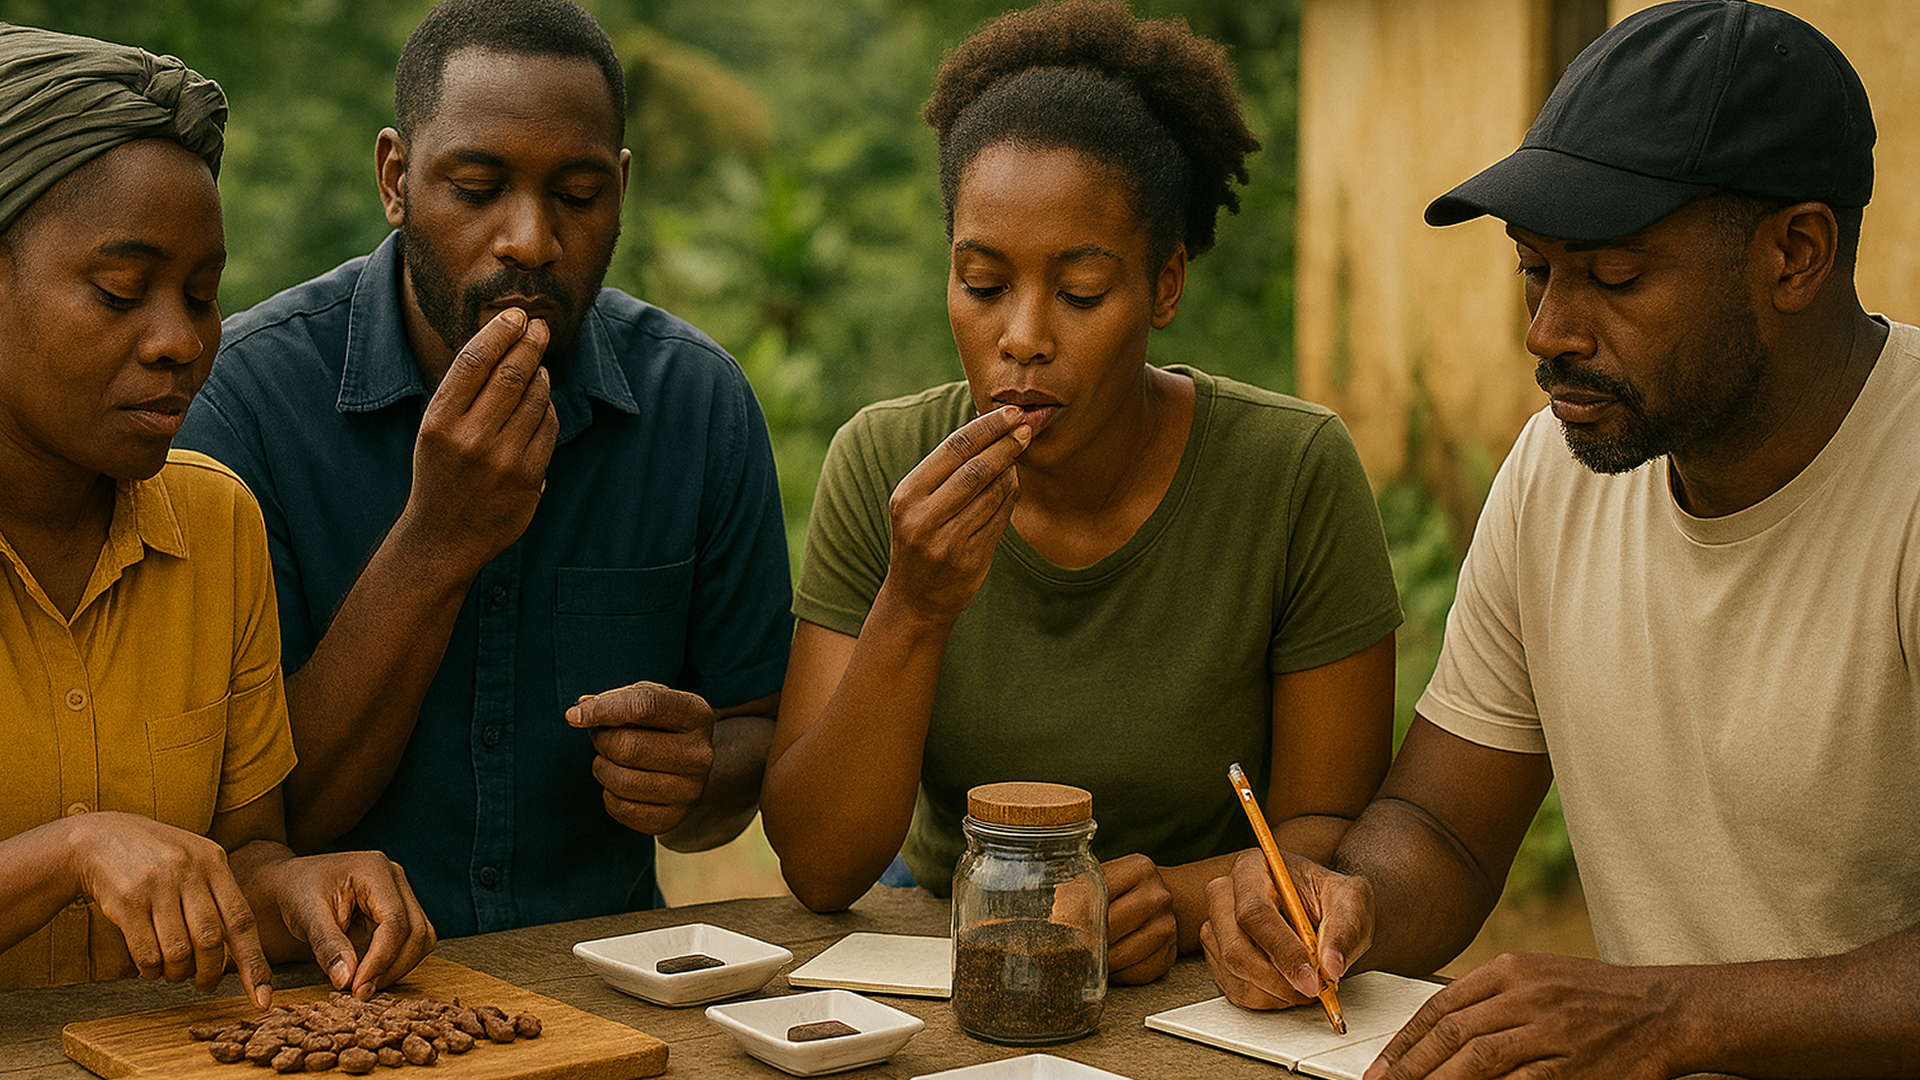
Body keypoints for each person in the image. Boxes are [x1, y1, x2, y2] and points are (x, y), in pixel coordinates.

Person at [1201, 1, 1920, 1076]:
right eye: (1535, 270)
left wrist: (1668, 1017)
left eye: (1614, 277)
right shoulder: (1556, 471)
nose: (1547, 332)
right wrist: (1345, 903)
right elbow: (1443, 828)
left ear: (1796, 253)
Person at [761, 0, 1403, 986]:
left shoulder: (1293, 473)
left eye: (1082, 293)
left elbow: (1329, 836)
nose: (1022, 336)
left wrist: (1170, 905)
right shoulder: (882, 460)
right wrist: (915, 604)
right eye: (983, 284)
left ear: (1165, 285)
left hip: (1207, 980)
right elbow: (818, 866)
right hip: (943, 960)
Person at [176, 0, 793, 937]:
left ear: (622, 189)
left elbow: (754, 732)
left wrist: (698, 774)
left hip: (606, 977)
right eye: (476, 189)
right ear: (396, 179)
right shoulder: (247, 405)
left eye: (578, 195)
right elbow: (268, 821)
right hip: (339, 991)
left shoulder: (697, 405)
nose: (531, 240)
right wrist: (439, 536)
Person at [0, 23, 433, 1001]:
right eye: (122, 292)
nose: (181, 340)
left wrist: (297, 890)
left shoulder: (214, 523)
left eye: (201, 295)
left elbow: (243, 854)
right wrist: (68, 852)